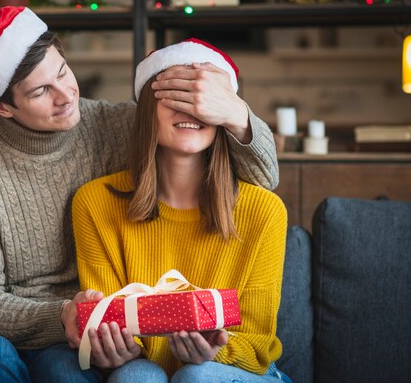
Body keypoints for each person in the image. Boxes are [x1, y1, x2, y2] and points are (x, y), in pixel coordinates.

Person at [0, 6, 279, 383]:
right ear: (2, 107)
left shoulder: (118, 124)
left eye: (63, 72)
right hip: (5, 331)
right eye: (41, 91)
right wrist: (63, 314)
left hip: (87, 332)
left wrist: (237, 115)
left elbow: (261, 179)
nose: (66, 96)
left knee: (65, 369)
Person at [73, 38, 292, 382]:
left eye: (204, 101)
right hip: (144, 370)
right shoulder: (94, 203)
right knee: (136, 376)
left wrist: (216, 350)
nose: (190, 110)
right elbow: (110, 321)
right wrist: (113, 350)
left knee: (197, 376)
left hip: (239, 373)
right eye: (176, 95)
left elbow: (258, 348)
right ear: (147, 108)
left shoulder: (264, 211)